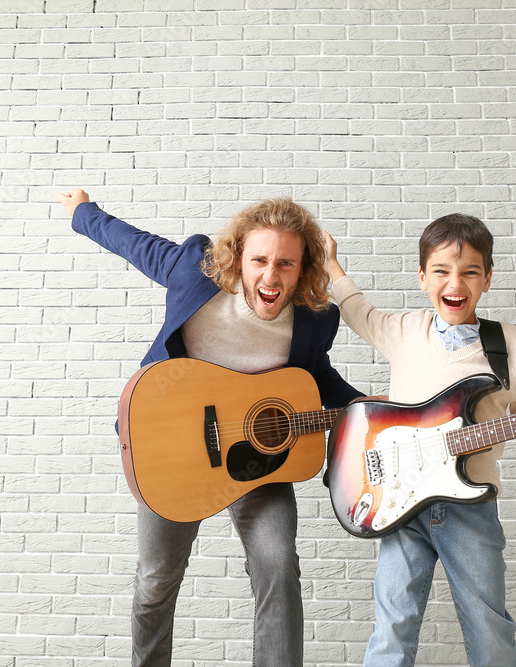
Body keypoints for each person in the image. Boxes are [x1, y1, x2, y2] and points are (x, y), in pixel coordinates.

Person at [57, 189, 363, 667]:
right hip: (175, 449)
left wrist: (367, 407)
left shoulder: (316, 318)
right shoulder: (194, 273)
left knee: (278, 564)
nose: (270, 275)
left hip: (258, 461)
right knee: (157, 578)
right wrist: (82, 212)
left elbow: (313, 375)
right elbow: (132, 242)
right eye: (259, 259)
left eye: (285, 263)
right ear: (238, 257)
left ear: (303, 269)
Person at [323, 213, 516, 667]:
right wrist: (332, 265)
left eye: (471, 271)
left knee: (488, 625)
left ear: (487, 279)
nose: (456, 282)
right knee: (392, 627)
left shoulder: (505, 341)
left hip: (470, 508)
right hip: (399, 505)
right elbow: (359, 312)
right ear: (422, 277)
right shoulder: (405, 330)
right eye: (442, 270)